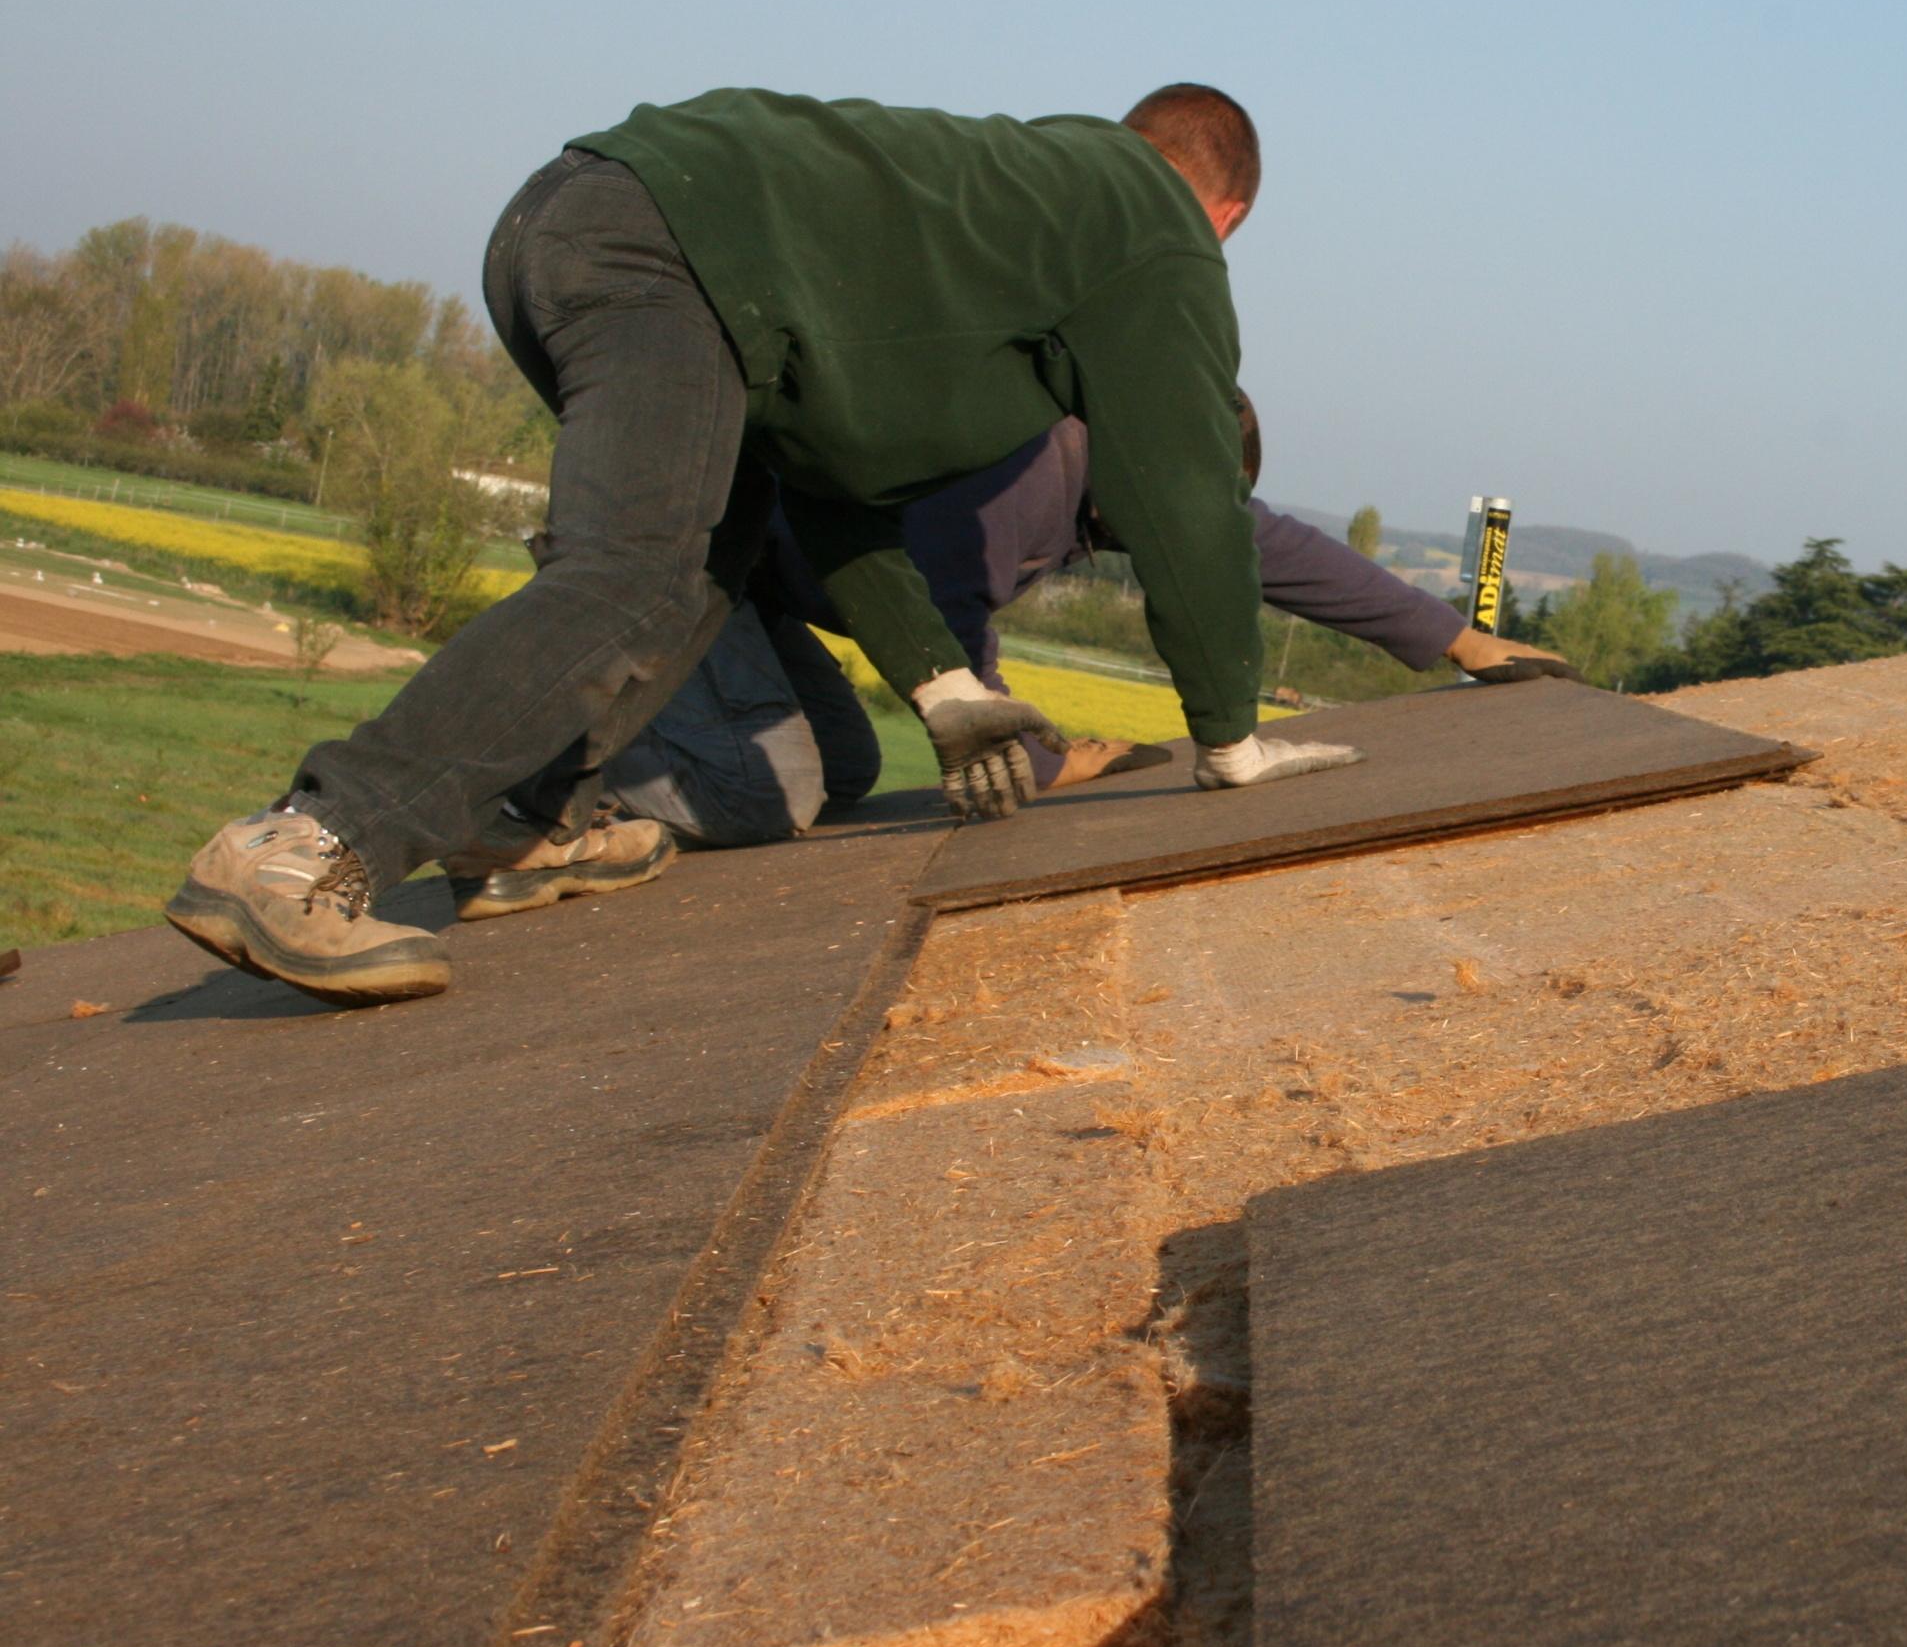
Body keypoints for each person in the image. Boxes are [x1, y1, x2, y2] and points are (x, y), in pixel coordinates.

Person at [166, 84, 1358, 1006]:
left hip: (578, 219)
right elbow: (1188, 495)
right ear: (1229, 214)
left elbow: (825, 477)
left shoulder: (987, 222)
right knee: (630, 567)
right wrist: (1231, 740)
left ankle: (517, 821)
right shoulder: (1153, 229)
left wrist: (942, 684)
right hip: (660, 247)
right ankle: (304, 849)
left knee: (705, 551)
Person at [606, 404, 1572, 844]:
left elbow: (1278, 552)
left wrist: (1463, 642)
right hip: (680, 562)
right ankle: (555, 767)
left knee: (848, 772)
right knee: (763, 801)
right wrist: (1055, 763)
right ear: (1156, 472)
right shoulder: (1013, 487)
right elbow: (950, 674)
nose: (1185, 541)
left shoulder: (1121, 473)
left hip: (760, 588)